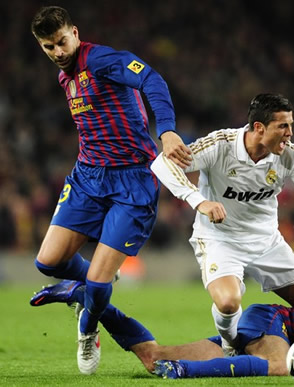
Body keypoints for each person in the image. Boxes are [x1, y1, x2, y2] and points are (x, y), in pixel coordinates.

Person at [30, 5, 192, 375]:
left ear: (75, 32)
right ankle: (87, 290)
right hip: (88, 175)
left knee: (100, 283)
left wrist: (165, 130)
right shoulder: (65, 78)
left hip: (132, 180)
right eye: (48, 47)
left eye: (61, 41)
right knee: (48, 262)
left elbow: (152, 79)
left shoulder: (101, 60)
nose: (57, 52)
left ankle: (88, 329)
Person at [150, 93, 294, 355]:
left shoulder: (290, 155)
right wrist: (198, 201)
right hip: (220, 240)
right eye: (283, 126)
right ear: (259, 127)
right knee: (228, 302)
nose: (290, 133)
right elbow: (162, 163)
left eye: (291, 125)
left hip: (266, 241)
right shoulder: (221, 145)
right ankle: (231, 344)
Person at [30, 279, 294, 378]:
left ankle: (84, 295)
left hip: (265, 335)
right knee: (279, 366)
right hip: (273, 320)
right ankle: (187, 376)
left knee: (152, 356)